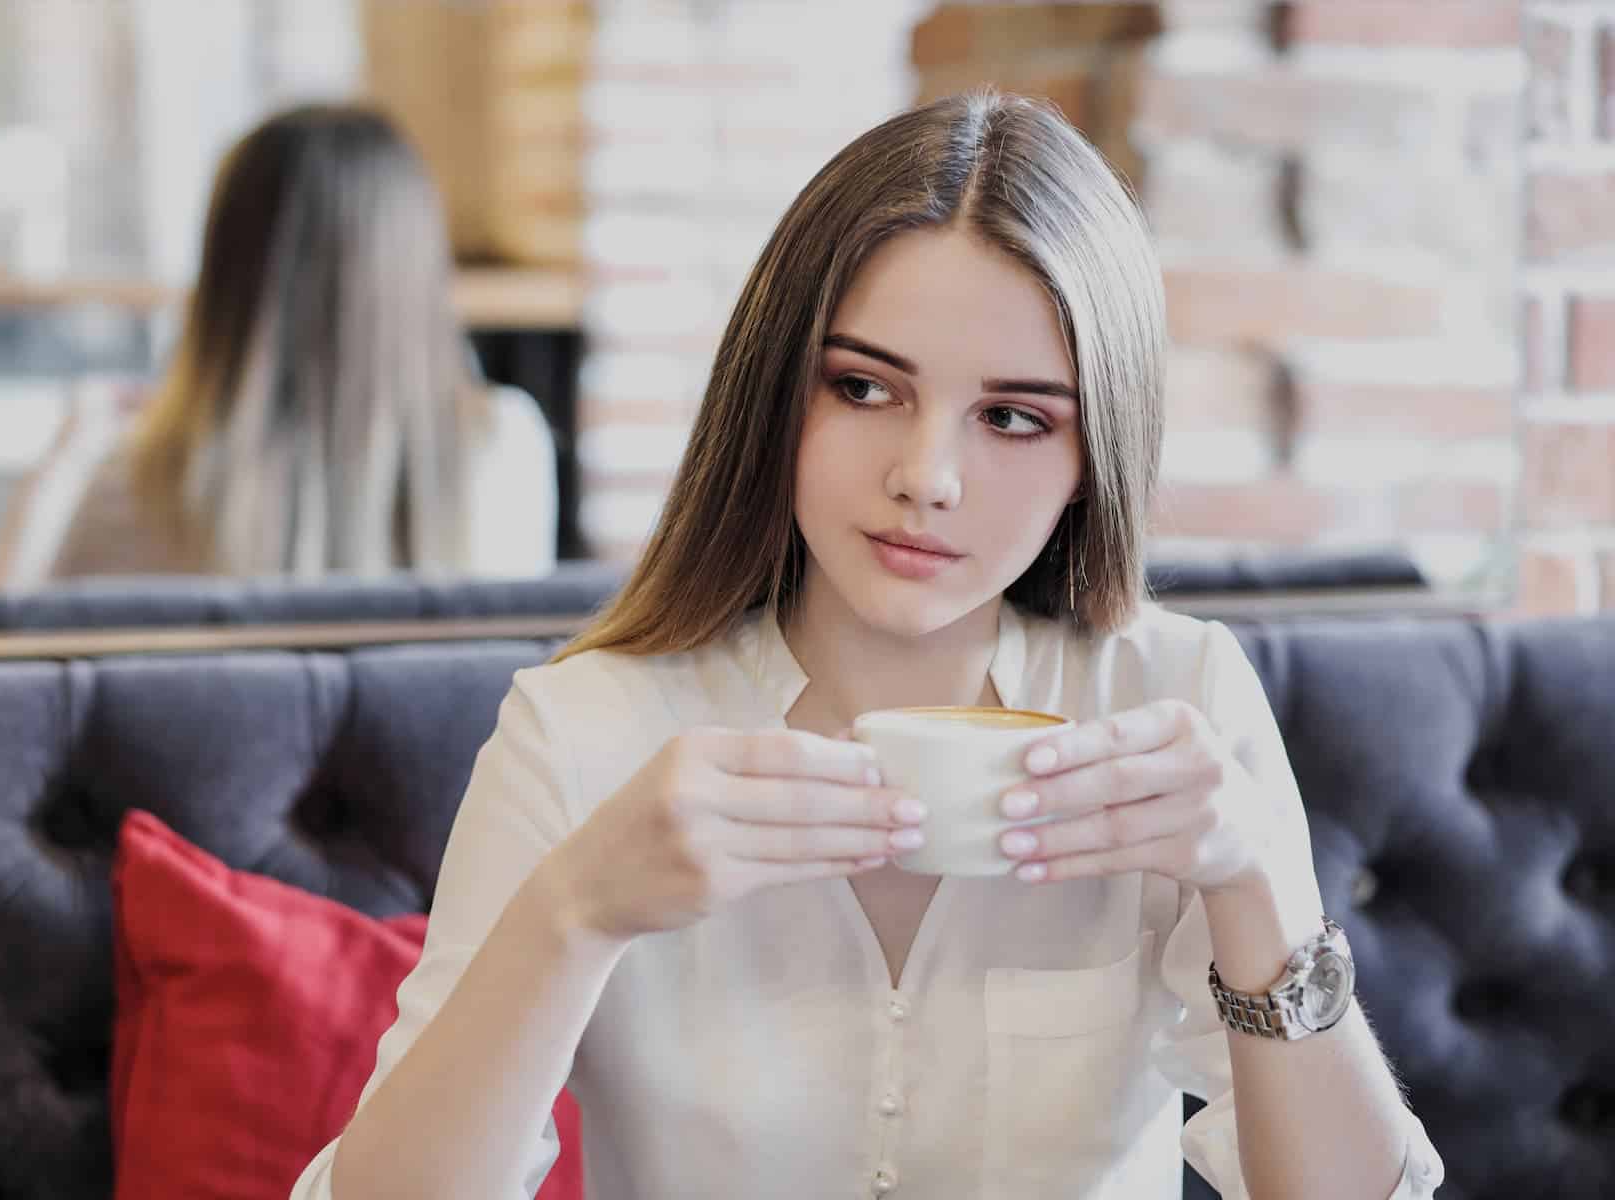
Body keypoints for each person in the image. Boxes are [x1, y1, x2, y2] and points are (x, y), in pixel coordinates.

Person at [294, 90, 1443, 1198]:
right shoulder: (583, 733)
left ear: (1095, 451)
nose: (926, 478)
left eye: (1012, 417)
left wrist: (1255, 884)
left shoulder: (1172, 697)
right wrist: (576, 911)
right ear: (774, 396)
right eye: (863, 387)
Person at [0, 103, 557, 588]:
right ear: (419, 277)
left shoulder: (124, 479)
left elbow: (8, 679)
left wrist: (63, 460)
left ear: (224, 284)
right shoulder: (506, 448)